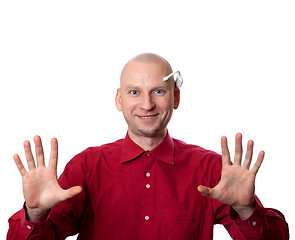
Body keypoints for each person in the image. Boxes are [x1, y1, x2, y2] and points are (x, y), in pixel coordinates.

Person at [7, 53, 289, 239]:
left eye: (158, 91)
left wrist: (246, 209)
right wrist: (35, 214)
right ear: (119, 100)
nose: (146, 104)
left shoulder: (211, 169)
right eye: (134, 92)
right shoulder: (87, 166)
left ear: (175, 98)